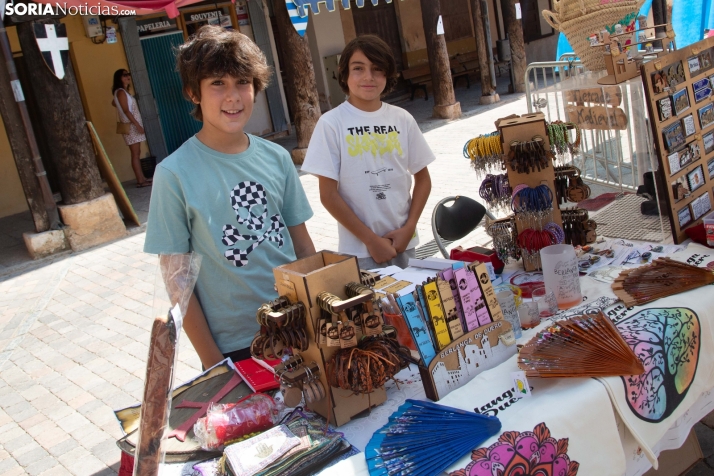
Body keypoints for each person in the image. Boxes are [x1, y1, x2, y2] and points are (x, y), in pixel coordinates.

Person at [144, 26, 315, 368]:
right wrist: (214, 363)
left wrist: (317, 313)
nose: (233, 96)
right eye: (217, 83)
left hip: (299, 330)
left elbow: (302, 245)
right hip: (238, 345)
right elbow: (179, 284)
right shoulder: (173, 173)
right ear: (194, 92)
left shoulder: (277, 158)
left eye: (242, 82)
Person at [301, 35, 435, 270]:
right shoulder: (331, 123)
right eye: (358, 68)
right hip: (360, 250)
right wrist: (371, 240)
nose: (368, 77)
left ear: (388, 75)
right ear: (344, 74)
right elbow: (328, 195)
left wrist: (409, 228)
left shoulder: (402, 119)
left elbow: (423, 179)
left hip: (404, 243)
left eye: (377, 69)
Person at [112, 69, 151, 187]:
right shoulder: (121, 92)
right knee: (135, 154)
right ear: (119, 78)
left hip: (132, 125)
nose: (127, 76)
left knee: (137, 153)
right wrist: (137, 125)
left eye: (128, 74)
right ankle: (140, 180)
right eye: (124, 75)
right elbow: (126, 111)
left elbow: (114, 103)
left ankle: (142, 178)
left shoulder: (122, 92)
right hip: (131, 126)